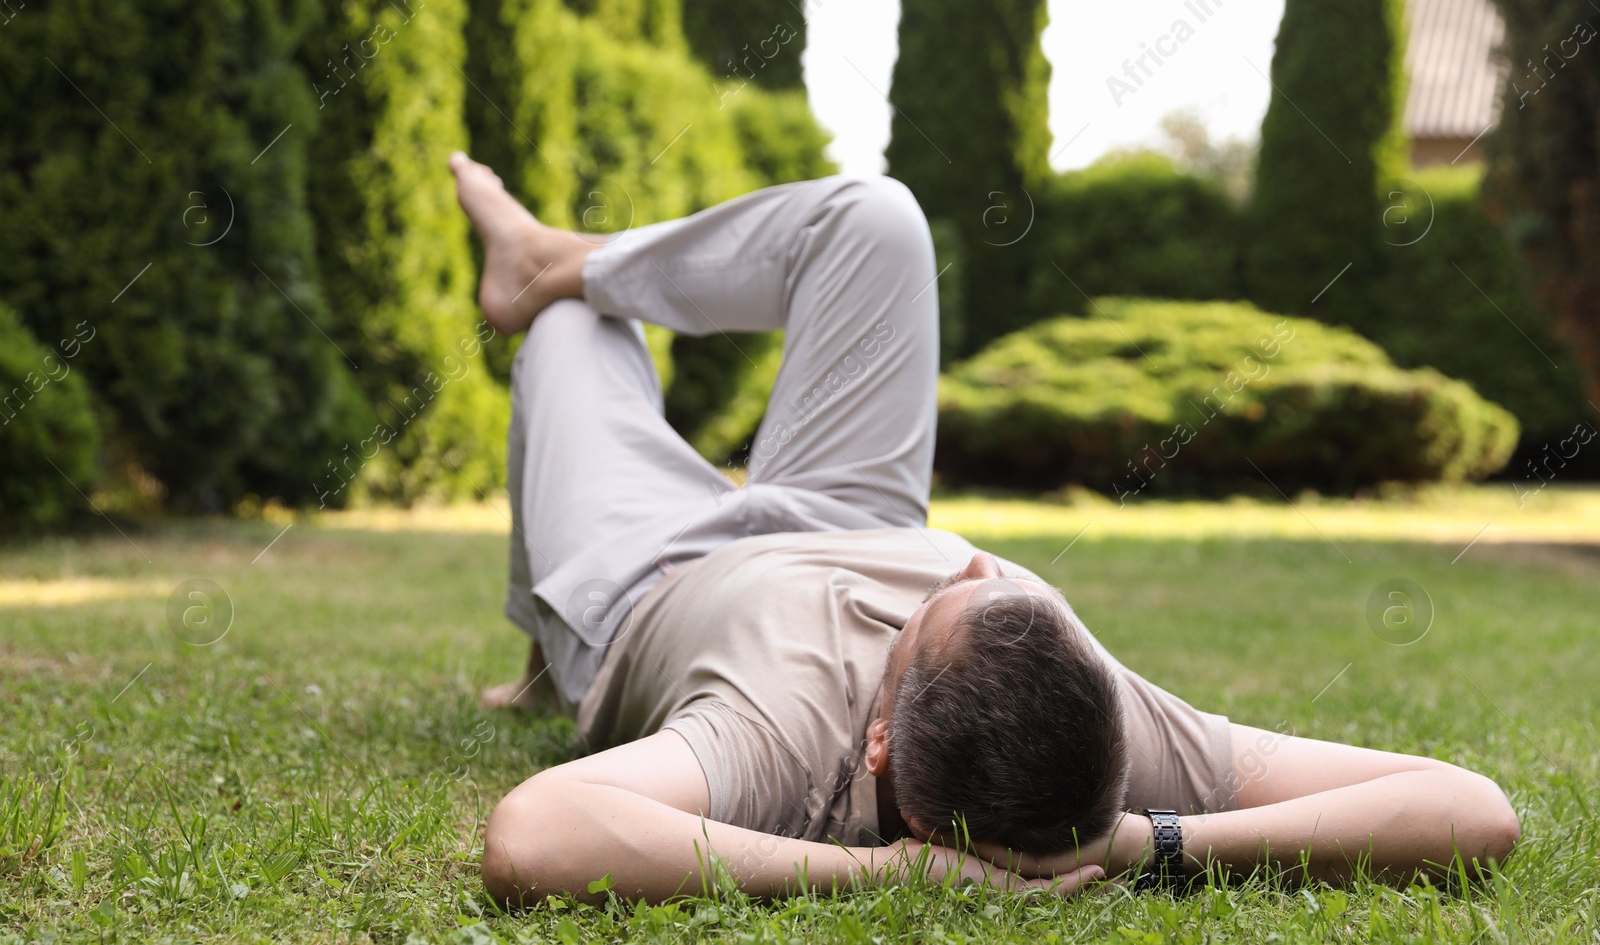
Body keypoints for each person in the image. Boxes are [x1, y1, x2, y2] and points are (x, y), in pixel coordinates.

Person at [447, 154, 1520, 905]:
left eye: (934, 610)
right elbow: (1468, 808)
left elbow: (538, 835)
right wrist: (1149, 844)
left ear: (876, 742)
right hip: (849, 506)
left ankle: (548, 635)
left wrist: (881, 876)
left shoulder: (775, 742)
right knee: (875, 218)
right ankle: (555, 253)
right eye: (1002, 584)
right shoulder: (1109, 729)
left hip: (653, 575)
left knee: (572, 338)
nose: (965, 560)